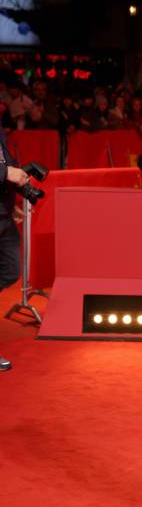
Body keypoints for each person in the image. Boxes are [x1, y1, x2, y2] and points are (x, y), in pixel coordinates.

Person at [0, 132, 29, 370]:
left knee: (10, 270)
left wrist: (12, 200)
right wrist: (6, 173)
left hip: (3, 211)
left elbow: (4, 158)